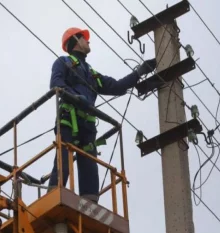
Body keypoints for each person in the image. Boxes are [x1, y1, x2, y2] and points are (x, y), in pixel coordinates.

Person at [48, 27, 156, 203]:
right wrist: (75, 97)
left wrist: (139, 72)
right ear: (75, 40)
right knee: (63, 164)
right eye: (84, 38)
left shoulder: (92, 74)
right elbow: (56, 84)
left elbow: (117, 86)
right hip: (68, 120)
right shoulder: (63, 62)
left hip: (88, 127)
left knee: (90, 170)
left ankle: (90, 208)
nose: (88, 41)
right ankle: (52, 199)